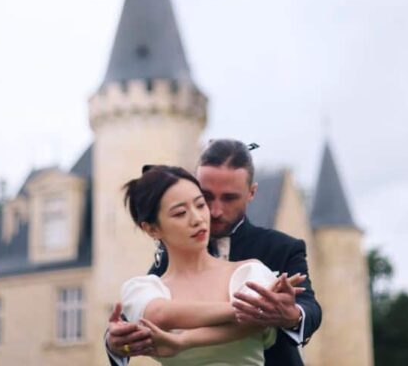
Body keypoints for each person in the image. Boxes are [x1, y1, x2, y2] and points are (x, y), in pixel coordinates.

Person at [106, 139, 322, 366]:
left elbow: (309, 307)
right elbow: (137, 319)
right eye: (206, 197)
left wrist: (291, 315)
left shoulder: (279, 249)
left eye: (229, 198)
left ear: (251, 193)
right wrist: (115, 342)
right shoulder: (160, 269)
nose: (213, 211)